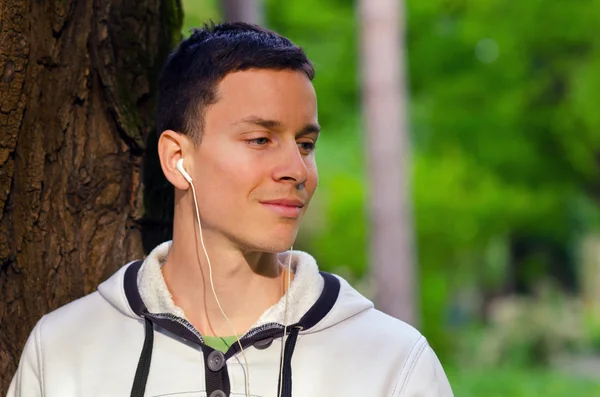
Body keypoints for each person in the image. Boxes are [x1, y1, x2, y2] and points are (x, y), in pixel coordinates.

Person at [7, 22, 453, 397]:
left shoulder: (393, 363)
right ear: (177, 160)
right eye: (261, 140)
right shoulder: (63, 350)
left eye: (306, 144)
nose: (297, 170)